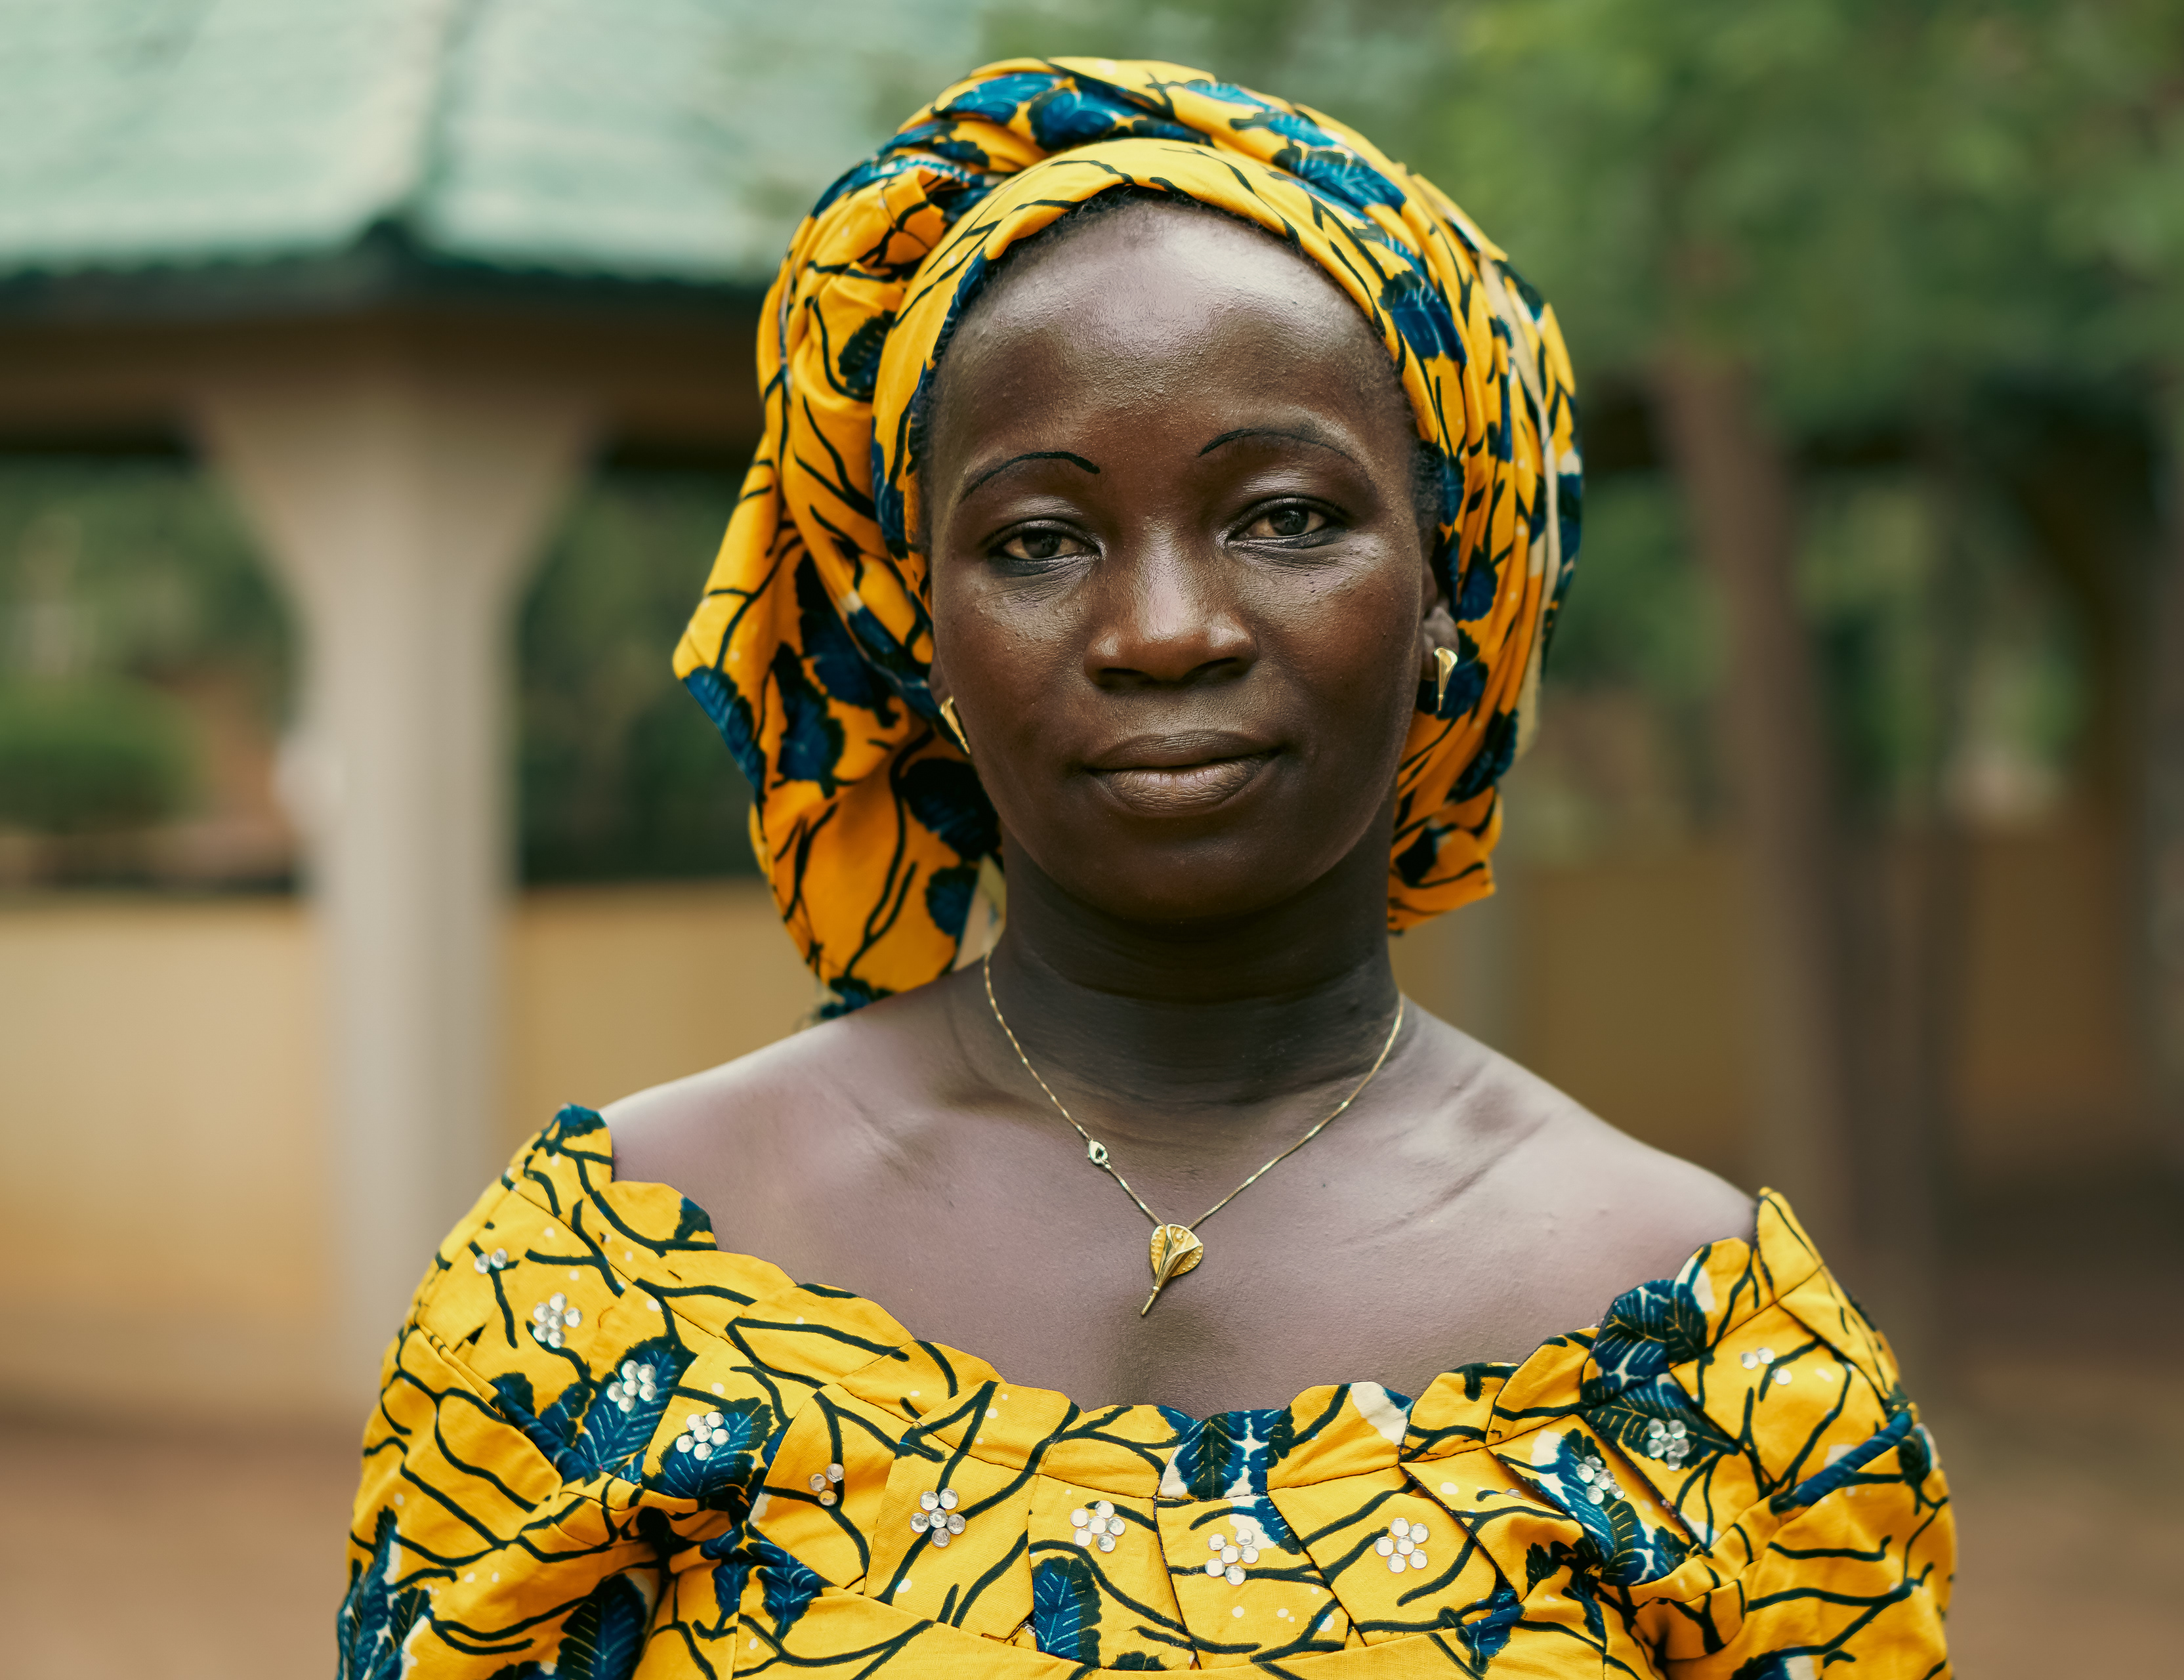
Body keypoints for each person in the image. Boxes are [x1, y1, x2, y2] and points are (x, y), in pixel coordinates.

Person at [336, 59, 1952, 1679]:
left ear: (1450, 592)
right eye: (1038, 539)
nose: (1167, 629)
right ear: (925, 631)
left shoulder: (1719, 1367)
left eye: (1286, 517)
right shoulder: (601, 1289)